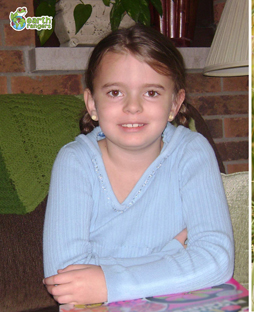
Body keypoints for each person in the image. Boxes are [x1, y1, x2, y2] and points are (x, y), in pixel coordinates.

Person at [42, 24, 234, 305]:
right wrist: (172, 254)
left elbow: (217, 261)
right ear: (92, 104)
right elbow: (65, 280)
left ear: (175, 104)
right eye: (115, 93)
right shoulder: (74, 162)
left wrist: (108, 282)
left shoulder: (192, 151)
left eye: (152, 93)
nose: (133, 107)